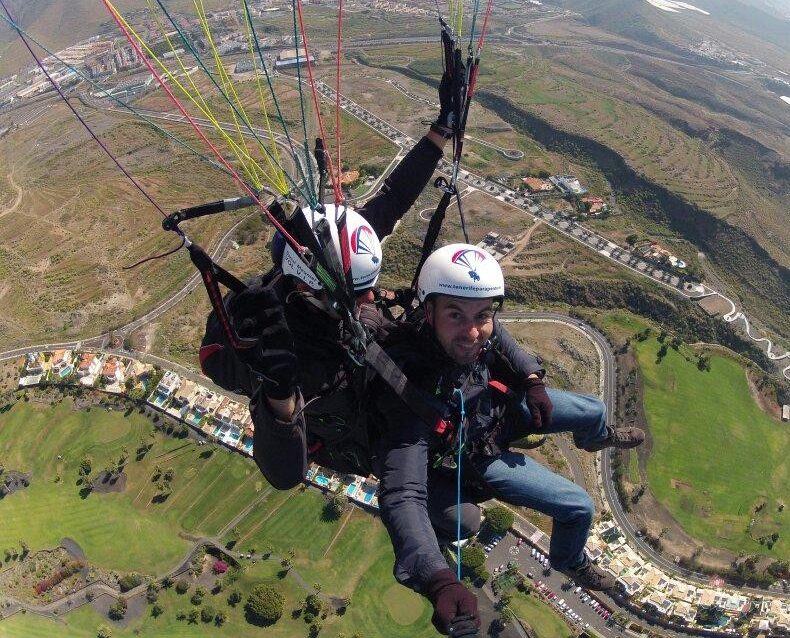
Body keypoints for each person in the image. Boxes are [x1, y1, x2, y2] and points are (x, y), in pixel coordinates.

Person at [198, 70, 459, 488]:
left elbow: (212, 356)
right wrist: (441, 130)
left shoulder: (293, 322)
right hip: (379, 429)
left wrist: (440, 130)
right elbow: (395, 195)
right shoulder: (321, 293)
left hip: (374, 423)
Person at [372, 243, 644, 636]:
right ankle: (570, 561)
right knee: (579, 507)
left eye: (481, 315)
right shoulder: (408, 387)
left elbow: (499, 336)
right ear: (428, 312)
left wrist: (532, 379)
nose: (472, 330)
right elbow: (403, 494)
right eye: (456, 315)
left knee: (594, 410)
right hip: (476, 456)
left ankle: (596, 438)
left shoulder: (472, 329)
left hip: (499, 412)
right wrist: (438, 579)